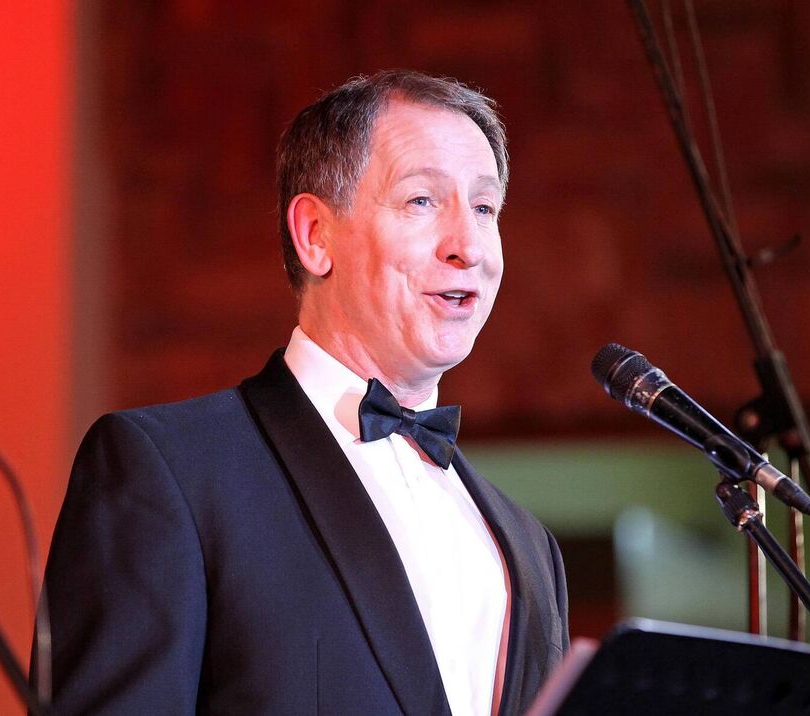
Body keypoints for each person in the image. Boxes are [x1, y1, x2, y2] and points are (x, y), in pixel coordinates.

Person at [41, 69, 569, 715]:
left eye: (485, 209)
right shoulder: (172, 470)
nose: (468, 247)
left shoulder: (525, 540)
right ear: (316, 235)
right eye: (422, 202)